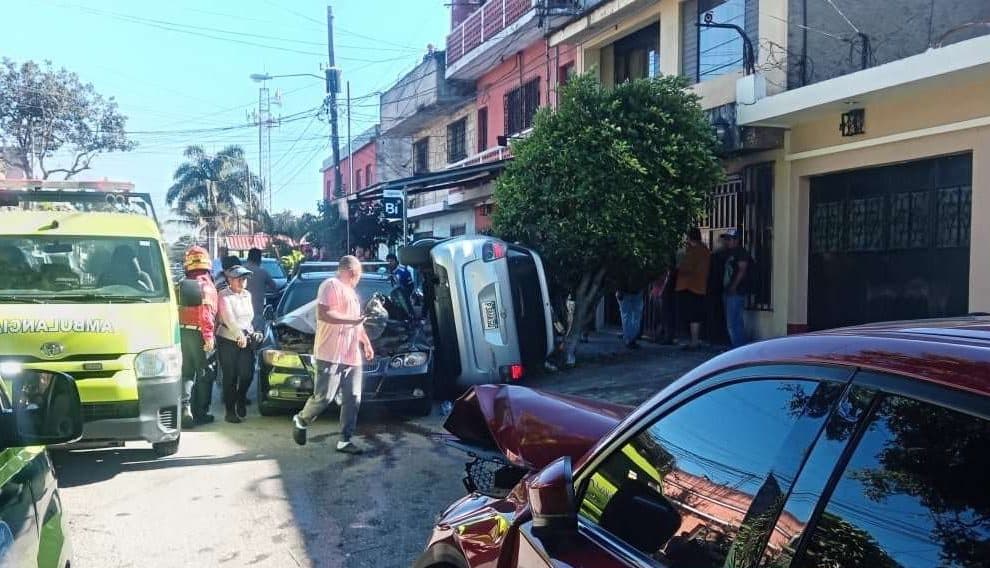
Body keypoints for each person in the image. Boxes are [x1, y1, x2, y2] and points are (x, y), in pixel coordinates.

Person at [291, 255, 374, 455]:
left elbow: (358, 322)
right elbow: (324, 313)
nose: (358, 277)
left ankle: (345, 440)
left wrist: (366, 343)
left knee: (353, 398)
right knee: (324, 397)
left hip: (351, 355)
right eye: (357, 273)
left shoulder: (353, 294)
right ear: (350, 271)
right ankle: (301, 419)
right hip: (330, 353)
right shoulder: (330, 285)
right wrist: (351, 321)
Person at [177, 246, 219, 428]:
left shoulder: (181, 285)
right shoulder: (207, 287)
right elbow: (206, 314)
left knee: (187, 373)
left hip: (182, 333)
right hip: (201, 334)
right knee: (204, 374)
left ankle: (185, 409)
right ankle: (201, 413)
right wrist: (209, 337)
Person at [216, 265, 261, 423]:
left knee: (247, 374)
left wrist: (252, 332)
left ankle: (241, 397)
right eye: (239, 279)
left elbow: (248, 319)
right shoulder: (223, 295)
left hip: (245, 338)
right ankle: (230, 412)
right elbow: (229, 319)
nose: (242, 282)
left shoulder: (247, 295)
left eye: (244, 279)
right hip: (228, 339)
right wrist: (238, 335)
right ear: (230, 280)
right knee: (230, 376)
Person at [675, 227, 711, 350]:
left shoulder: (694, 251)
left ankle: (694, 341)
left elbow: (686, 268)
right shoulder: (704, 250)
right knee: (694, 315)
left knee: (692, 316)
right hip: (698, 286)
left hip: (690, 287)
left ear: (689, 237)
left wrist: (679, 265)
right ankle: (694, 340)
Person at [721, 228, 752, 347]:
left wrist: (734, 286)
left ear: (736, 240)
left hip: (736, 291)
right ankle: (737, 347)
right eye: (726, 239)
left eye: (730, 239)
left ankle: (738, 348)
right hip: (729, 290)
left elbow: (742, 270)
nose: (727, 241)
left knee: (733, 323)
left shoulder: (741, 252)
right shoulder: (730, 253)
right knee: (734, 322)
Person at [244, 248, 278, 330]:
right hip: (257, 313)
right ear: (259, 259)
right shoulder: (263, 272)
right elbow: (274, 287)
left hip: (240, 313)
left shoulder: (241, 271)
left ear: (248, 257)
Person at [615, 275, 646, 350]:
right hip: (635, 290)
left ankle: (629, 339)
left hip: (626, 290)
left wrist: (618, 289)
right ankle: (631, 339)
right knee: (635, 316)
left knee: (626, 316)